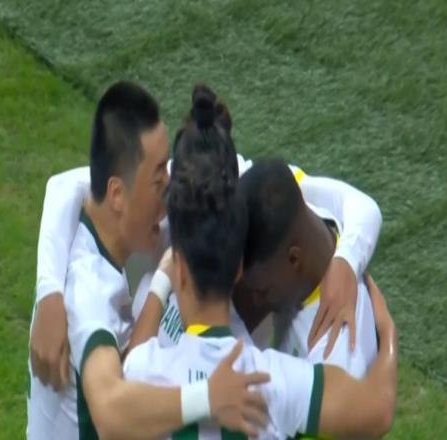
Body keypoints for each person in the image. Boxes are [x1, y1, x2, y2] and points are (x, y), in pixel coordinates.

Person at [30, 85, 382, 389]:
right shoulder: (190, 189)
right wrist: (49, 294)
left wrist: (347, 260)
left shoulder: (257, 191)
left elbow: (361, 207)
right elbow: (66, 186)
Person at [27, 81, 270, 440]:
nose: (170, 190)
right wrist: (208, 397)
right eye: (159, 177)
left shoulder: (91, 233)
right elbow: (111, 411)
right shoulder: (87, 287)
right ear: (117, 195)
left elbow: (64, 184)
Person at [123, 124, 397, 439]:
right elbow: (378, 412)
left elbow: (126, 378)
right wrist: (389, 334)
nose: (251, 300)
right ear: (237, 269)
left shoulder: (145, 365)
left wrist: (161, 280)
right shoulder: (274, 380)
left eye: (260, 290)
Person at [233, 158, 378, 377]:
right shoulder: (300, 204)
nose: (257, 301)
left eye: (263, 290)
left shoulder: (334, 353)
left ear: (294, 259)